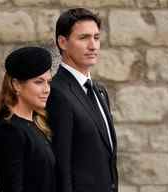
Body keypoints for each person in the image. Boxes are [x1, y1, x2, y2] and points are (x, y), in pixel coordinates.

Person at [46, 8, 118, 192]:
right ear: (63, 42)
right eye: (84, 38)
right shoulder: (56, 92)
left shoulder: (99, 91)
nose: (93, 45)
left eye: (96, 37)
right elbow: (61, 165)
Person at [0, 46, 55, 192]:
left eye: (48, 82)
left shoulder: (35, 125)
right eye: (39, 82)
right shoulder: (9, 131)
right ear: (16, 85)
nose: (47, 89)